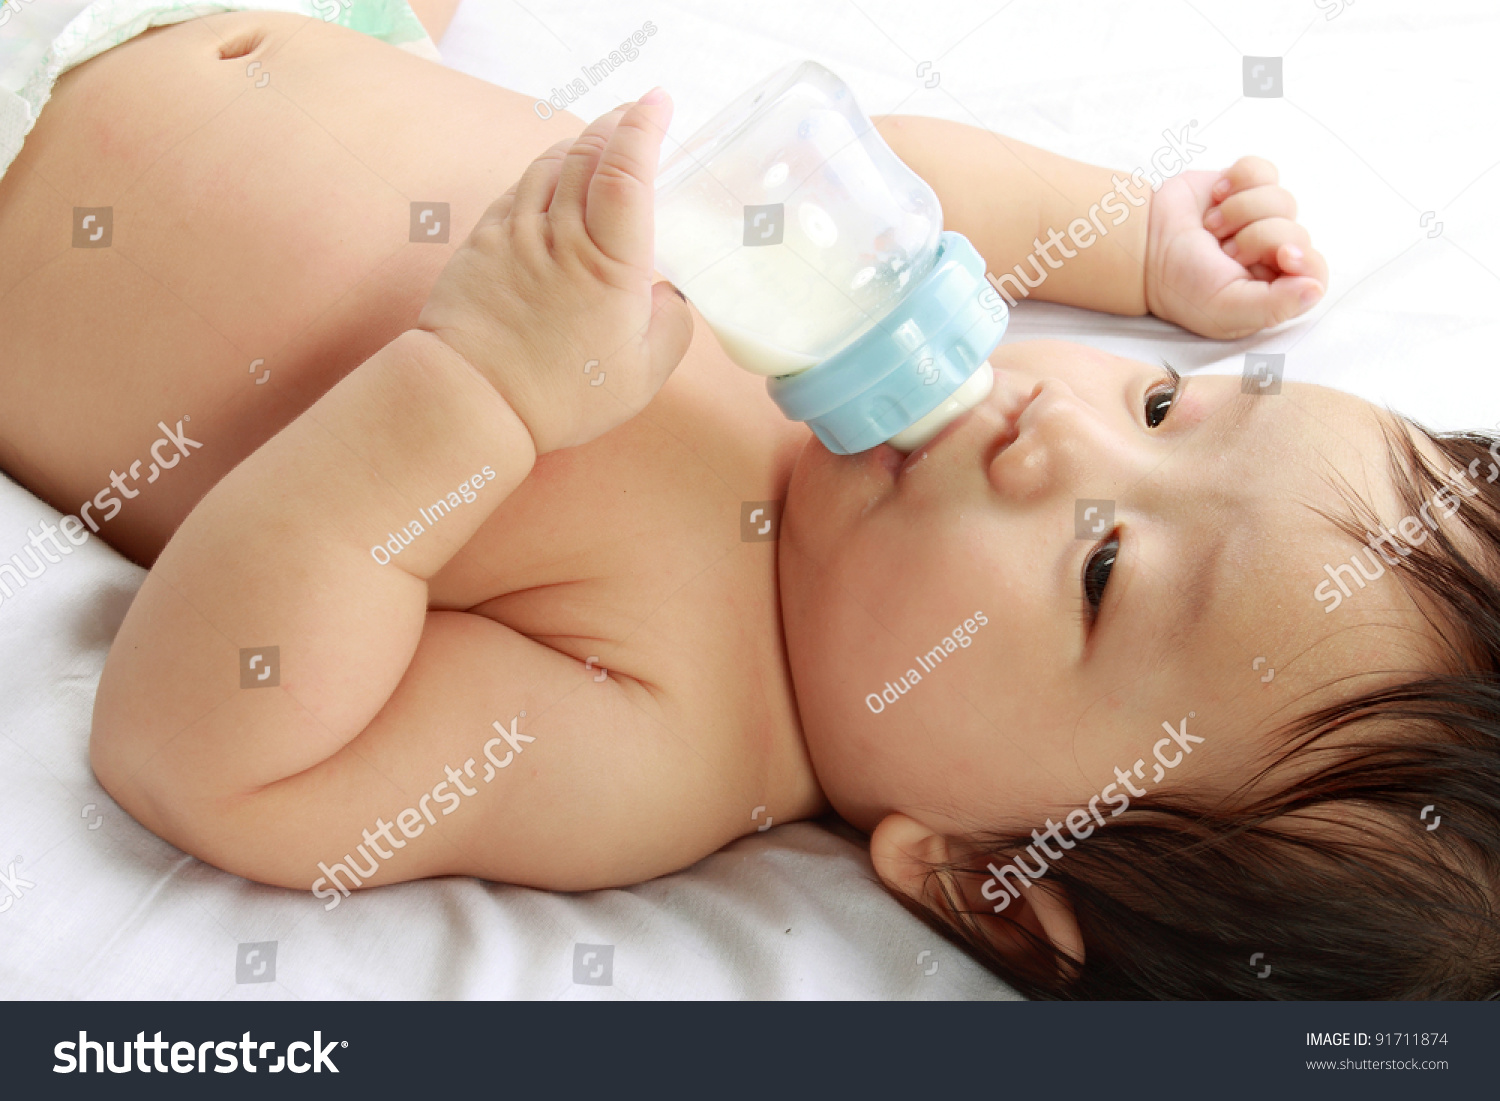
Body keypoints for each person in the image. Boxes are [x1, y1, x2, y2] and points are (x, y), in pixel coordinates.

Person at [2, 4, 1492, 998]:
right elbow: (893, 184)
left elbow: (215, 749)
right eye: (1166, 406)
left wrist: (477, 391)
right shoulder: (846, 366)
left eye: (1102, 569)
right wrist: (1140, 245)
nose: (1064, 418)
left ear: (984, 875)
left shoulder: (668, 727)